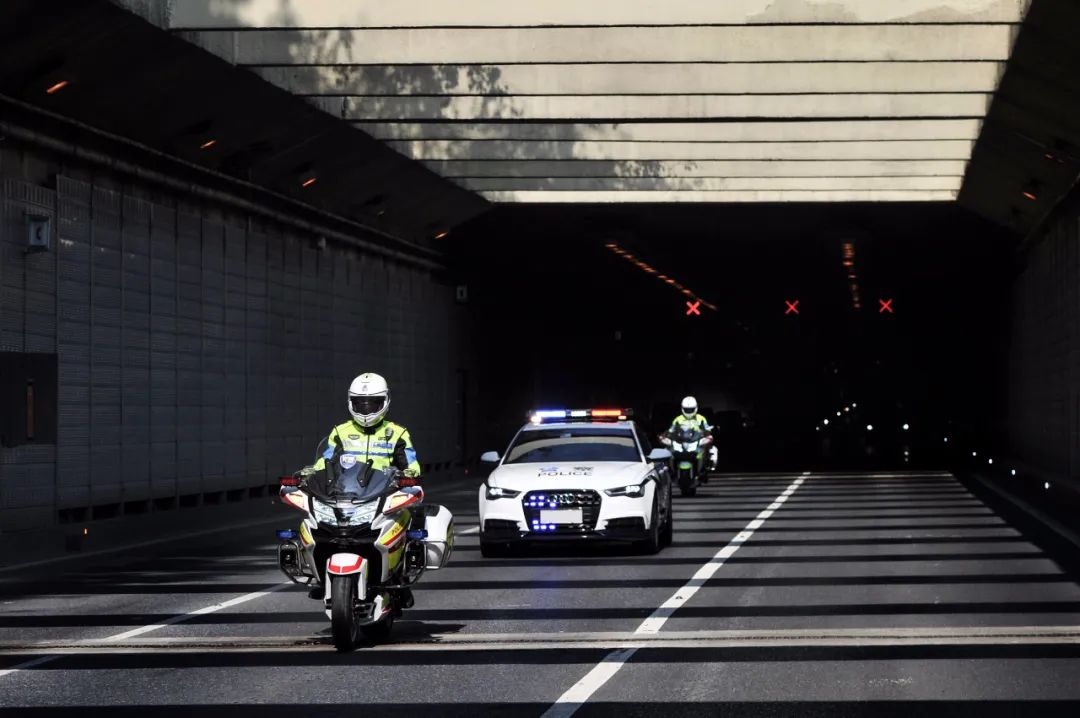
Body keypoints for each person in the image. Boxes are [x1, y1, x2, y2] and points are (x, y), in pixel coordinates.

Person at [298, 372, 422, 604]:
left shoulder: (397, 433)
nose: (366, 409)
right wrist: (310, 474)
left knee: (409, 519)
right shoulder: (340, 432)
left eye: (372, 403)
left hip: (384, 496)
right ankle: (320, 577)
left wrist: (409, 475)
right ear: (350, 402)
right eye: (360, 403)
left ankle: (401, 576)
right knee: (318, 525)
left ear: (384, 402)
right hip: (345, 496)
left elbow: (411, 464)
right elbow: (323, 463)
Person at [661, 396, 714, 481]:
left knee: (707, 449)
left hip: (696, 441)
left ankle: (704, 469)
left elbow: (707, 429)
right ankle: (671, 472)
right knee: (668, 451)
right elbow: (671, 430)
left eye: (691, 409)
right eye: (687, 409)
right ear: (682, 409)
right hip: (681, 442)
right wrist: (664, 435)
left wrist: (708, 434)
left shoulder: (701, 418)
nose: (689, 412)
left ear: (696, 408)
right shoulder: (678, 419)